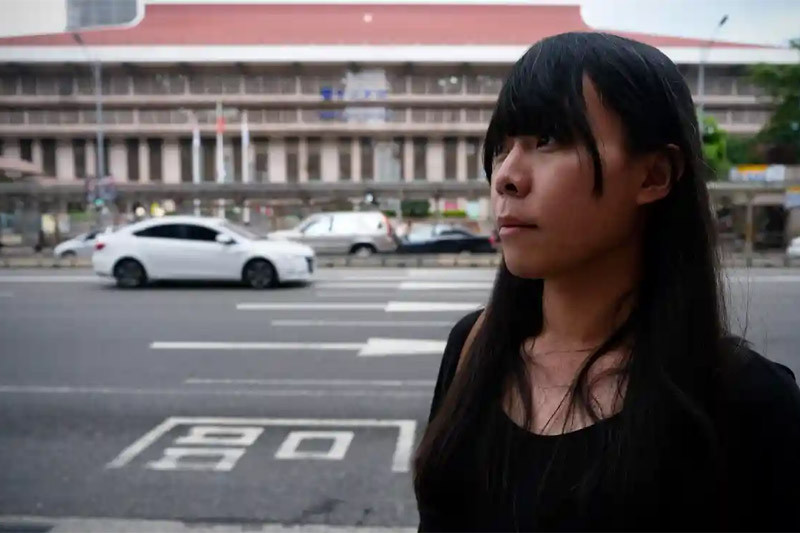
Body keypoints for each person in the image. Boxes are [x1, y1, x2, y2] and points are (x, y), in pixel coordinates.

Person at [414, 32, 800, 531]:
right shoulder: (473, 347)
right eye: (502, 147)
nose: (506, 176)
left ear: (654, 175)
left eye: (548, 140)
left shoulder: (751, 402)